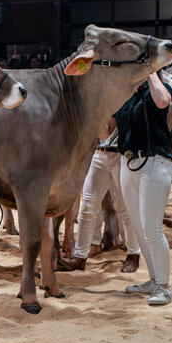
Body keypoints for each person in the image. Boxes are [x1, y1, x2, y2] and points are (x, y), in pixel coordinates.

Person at [116, 68, 172, 306]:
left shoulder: (160, 86)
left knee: (152, 229)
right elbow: (106, 129)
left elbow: (163, 101)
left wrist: (151, 74)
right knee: (138, 228)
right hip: (126, 162)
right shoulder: (125, 94)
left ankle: (164, 287)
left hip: (155, 162)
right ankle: (154, 280)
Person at [60, 117, 142, 273]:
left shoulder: (123, 99)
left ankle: (133, 254)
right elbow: (102, 133)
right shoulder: (103, 99)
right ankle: (80, 256)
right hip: (98, 153)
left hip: (121, 155)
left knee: (124, 207)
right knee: (87, 207)